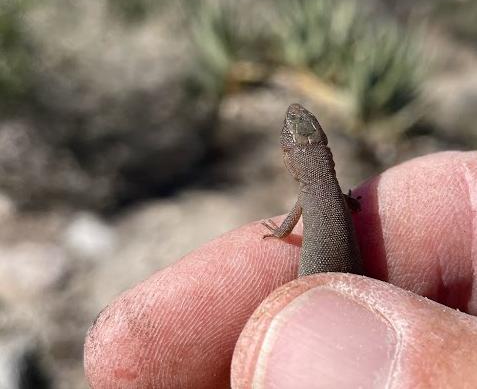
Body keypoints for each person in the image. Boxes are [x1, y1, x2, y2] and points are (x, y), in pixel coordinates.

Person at [84, 151, 477, 388]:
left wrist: (279, 233)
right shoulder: (336, 192)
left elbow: (288, 229)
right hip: (352, 288)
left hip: (327, 306)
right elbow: (354, 207)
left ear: (291, 160)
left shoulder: (308, 193)